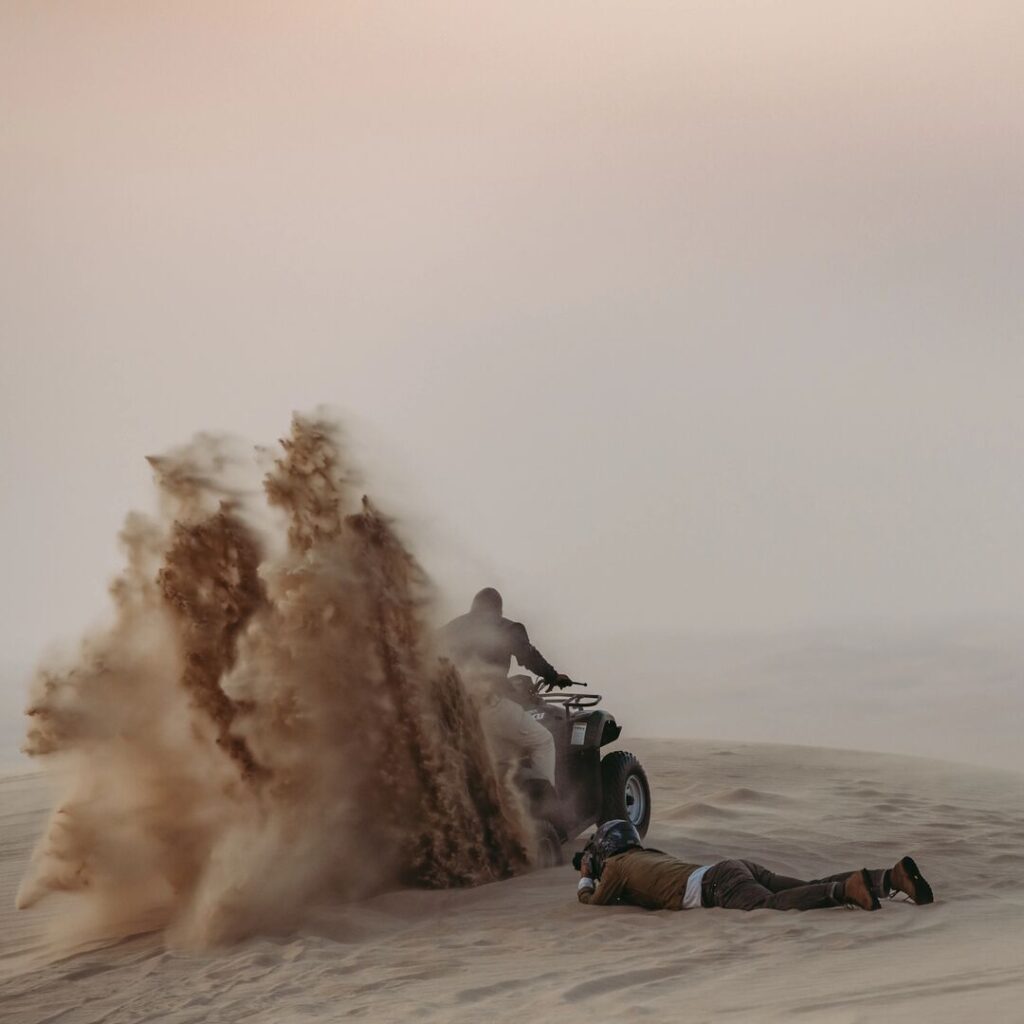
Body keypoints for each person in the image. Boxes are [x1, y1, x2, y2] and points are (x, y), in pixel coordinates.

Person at [575, 820, 934, 912]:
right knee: (802, 886)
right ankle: (889, 878)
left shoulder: (616, 868)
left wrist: (585, 881)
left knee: (769, 906)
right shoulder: (645, 854)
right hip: (732, 867)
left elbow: (594, 903)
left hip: (718, 886)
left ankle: (846, 891)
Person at [440, 588, 569, 788]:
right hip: (489, 705)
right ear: (498, 609)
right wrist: (554, 676)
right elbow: (529, 657)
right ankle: (546, 807)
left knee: (493, 756)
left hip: (457, 713)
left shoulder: (452, 628)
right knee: (543, 740)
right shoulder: (505, 627)